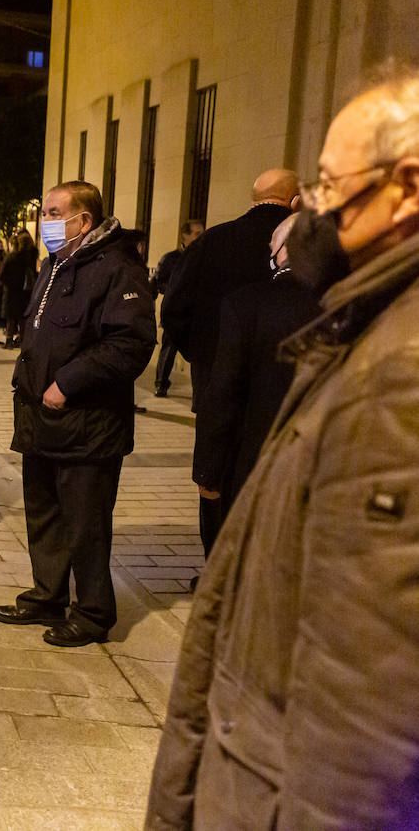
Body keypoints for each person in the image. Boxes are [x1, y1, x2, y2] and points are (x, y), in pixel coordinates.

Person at [146, 66, 419, 831]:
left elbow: (365, 717)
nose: (311, 212)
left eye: (328, 187)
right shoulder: (366, 326)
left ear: (408, 188)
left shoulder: (400, 376)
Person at [0, 181, 155, 647]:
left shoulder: (117, 267)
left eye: (53, 212)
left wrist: (69, 382)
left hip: (88, 426)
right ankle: (48, 595)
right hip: (41, 421)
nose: (45, 221)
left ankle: (93, 612)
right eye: (44, 212)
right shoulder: (56, 264)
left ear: (83, 221)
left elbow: (131, 343)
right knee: (44, 515)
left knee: (85, 525)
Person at [162, 169, 299, 556]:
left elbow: (174, 309)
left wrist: (202, 356)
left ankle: (216, 563)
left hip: (214, 380)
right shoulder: (303, 242)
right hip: (278, 383)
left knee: (214, 468)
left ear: (254, 196)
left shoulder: (212, 241)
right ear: (296, 199)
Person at [190, 215, 319, 518]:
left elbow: (224, 392)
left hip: (256, 459)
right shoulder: (352, 302)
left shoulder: (247, 304)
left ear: (287, 248)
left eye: (272, 245)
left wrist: (209, 470)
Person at [148, 220, 204, 397]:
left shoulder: (205, 257)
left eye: (202, 233)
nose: (200, 237)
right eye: (196, 233)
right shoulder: (171, 258)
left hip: (196, 313)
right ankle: (161, 384)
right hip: (176, 312)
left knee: (198, 353)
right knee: (169, 349)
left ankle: (199, 391)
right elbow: (158, 283)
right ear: (185, 235)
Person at [0, 228, 38, 349]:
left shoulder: (12, 258)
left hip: (12, 292)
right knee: (23, 319)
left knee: (11, 319)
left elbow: (3, 275)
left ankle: (9, 341)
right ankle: (23, 341)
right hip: (26, 292)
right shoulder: (31, 257)